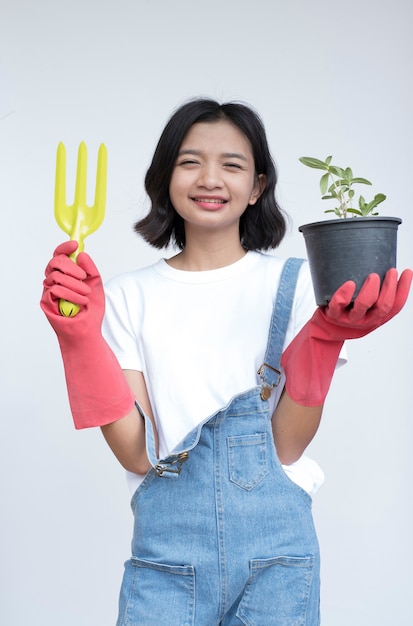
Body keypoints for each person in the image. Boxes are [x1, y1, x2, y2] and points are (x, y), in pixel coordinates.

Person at [40, 98, 412, 626]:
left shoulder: (299, 284)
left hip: (277, 563)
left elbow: (286, 445)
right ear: (166, 176)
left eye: (232, 165)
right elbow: (137, 455)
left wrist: (325, 337)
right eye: (190, 162)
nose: (210, 178)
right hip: (165, 563)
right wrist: (79, 341)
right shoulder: (126, 297)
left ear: (258, 186)